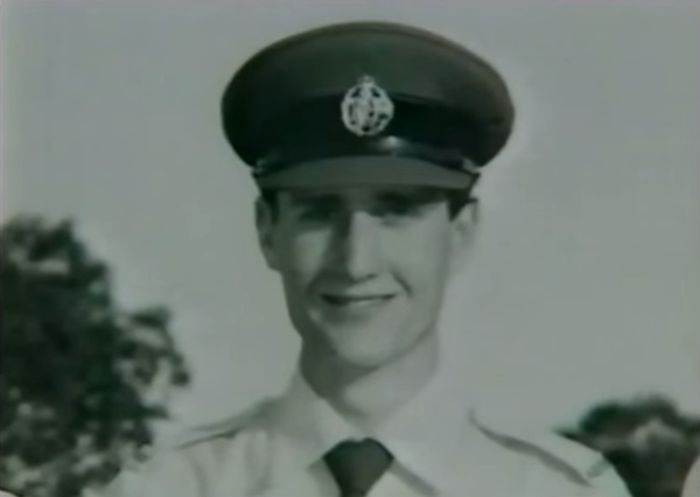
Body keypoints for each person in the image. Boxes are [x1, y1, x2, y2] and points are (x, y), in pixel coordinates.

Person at [101, 21, 631, 497]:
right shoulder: (168, 488)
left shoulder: (556, 490)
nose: (356, 261)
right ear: (267, 231)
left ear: (461, 232)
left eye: (396, 210)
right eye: (319, 211)